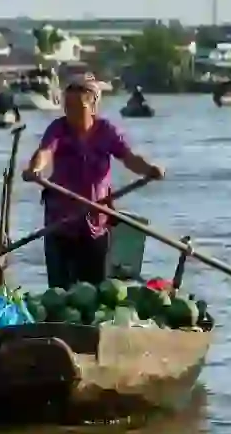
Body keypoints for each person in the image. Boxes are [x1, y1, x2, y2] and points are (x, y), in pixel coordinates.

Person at [22, 76, 165, 289]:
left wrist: (150, 169)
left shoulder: (106, 131)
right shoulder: (58, 128)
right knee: (60, 289)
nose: (71, 112)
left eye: (78, 106)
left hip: (96, 219)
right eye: (67, 105)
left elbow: (129, 157)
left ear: (93, 107)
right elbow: (45, 152)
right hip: (60, 221)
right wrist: (34, 170)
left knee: (94, 288)